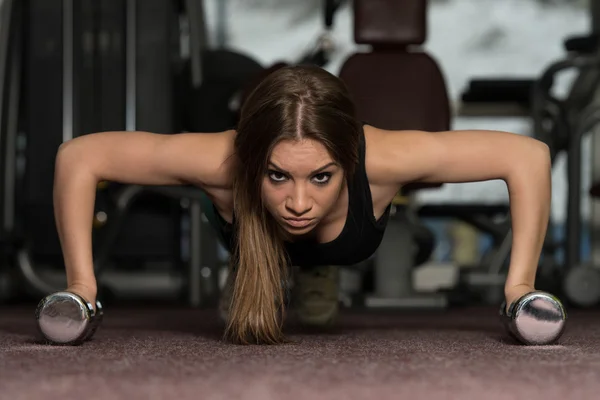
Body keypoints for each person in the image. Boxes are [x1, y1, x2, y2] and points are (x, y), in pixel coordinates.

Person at [53, 65, 551, 345]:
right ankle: (257, 272)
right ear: (252, 162)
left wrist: (520, 285)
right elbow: (79, 158)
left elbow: (527, 157)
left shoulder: (384, 158)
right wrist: (82, 285)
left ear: (349, 161)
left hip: (348, 243)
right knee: (255, 277)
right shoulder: (221, 161)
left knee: (314, 289)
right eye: (276, 175)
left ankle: (316, 273)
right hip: (250, 239)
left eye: (320, 177)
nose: (297, 202)